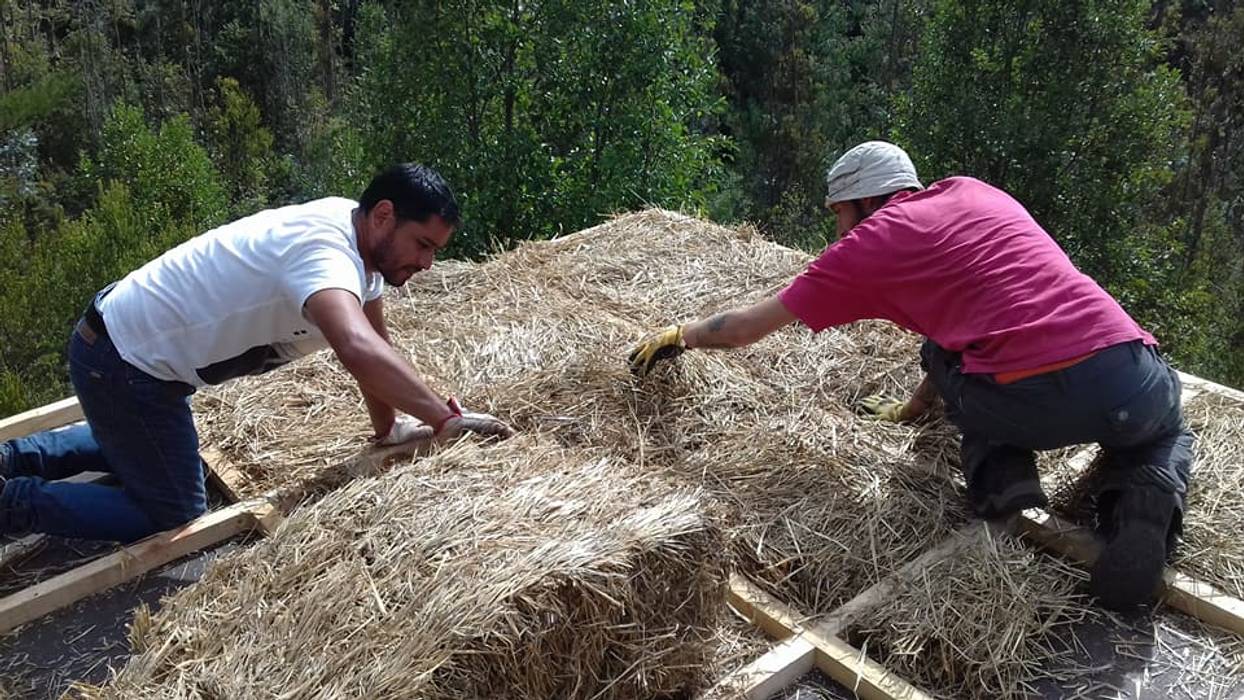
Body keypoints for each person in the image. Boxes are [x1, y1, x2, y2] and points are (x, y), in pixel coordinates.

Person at [627, 141, 1192, 609]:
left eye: (839, 213)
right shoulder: (975, 191)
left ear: (864, 200)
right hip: (1126, 368)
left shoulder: (868, 247)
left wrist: (683, 335)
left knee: (955, 361)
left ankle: (1003, 478)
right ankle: (1144, 507)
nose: (837, 230)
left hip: (1027, 404)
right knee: (1164, 433)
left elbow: (746, 328)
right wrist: (913, 408)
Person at [0, 164, 512, 543]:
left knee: (153, 447)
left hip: (128, 350)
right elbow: (356, 348)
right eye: (423, 245)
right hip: (123, 364)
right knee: (175, 506)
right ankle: (13, 503)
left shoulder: (357, 240)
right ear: (383, 216)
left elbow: (375, 347)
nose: (426, 263)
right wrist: (445, 420)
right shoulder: (324, 255)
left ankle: (10, 458)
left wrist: (389, 429)